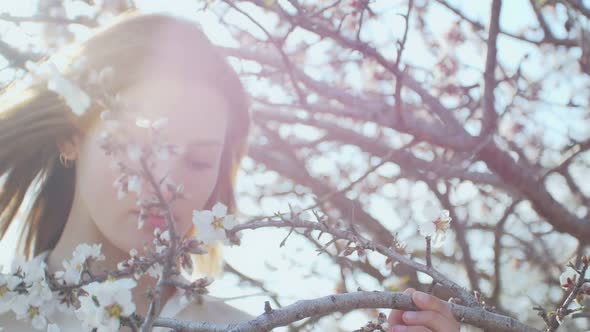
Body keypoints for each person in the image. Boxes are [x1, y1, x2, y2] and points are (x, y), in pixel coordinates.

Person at [0, 10, 462, 332]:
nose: (170, 182)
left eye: (199, 161)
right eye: (144, 144)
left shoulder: (235, 328)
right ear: (71, 136)